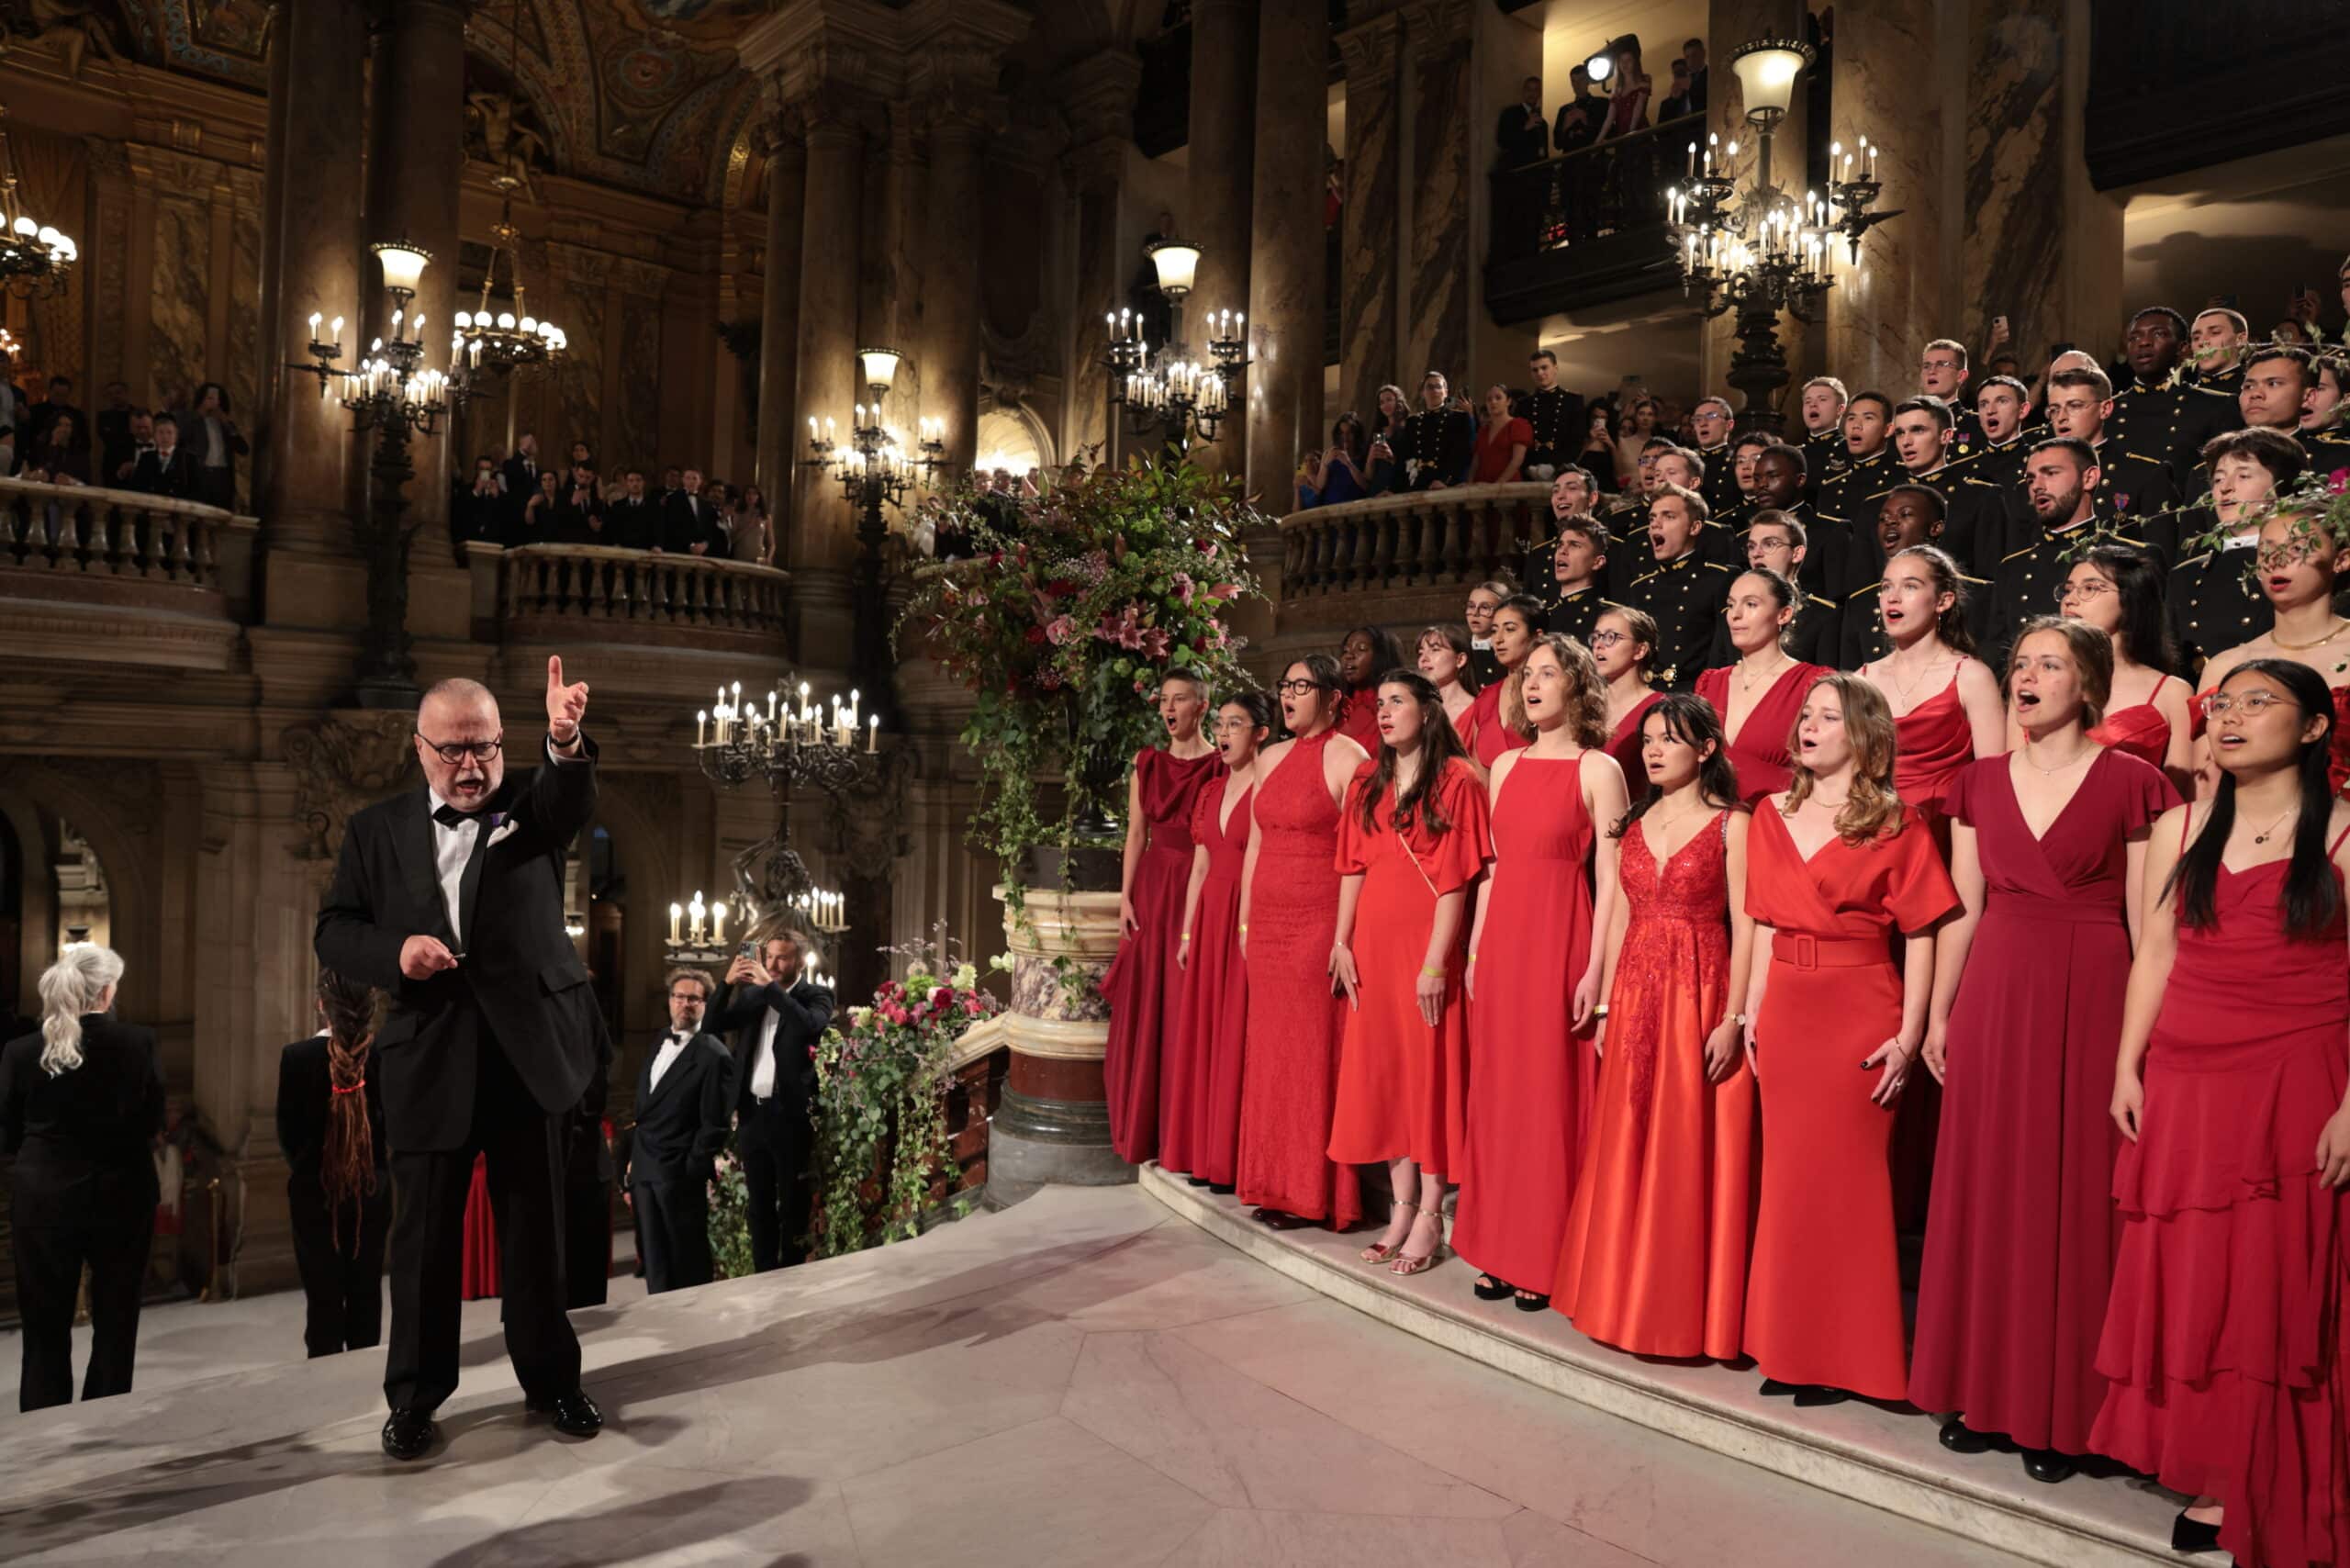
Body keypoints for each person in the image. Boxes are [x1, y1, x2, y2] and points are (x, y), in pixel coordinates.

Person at [2093, 657, 2350, 1566]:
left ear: (2316, 727)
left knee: (2277, 1280)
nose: (2230, 716)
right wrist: (2128, 1062)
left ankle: (2279, 1474)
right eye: (2223, 702)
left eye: (2259, 701)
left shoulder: (2346, 832)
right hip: (2188, 1075)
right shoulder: (2181, 822)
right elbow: (2154, 950)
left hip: (2297, 1077)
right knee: (2199, 1274)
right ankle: (2213, 1465)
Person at [315, 660, 606, 1459]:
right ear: (420, 750)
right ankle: (414, 1399)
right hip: (428, 1061)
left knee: (537, 1242)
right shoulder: (374, 832)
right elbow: (333, 929)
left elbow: (569, 796)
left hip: (527, 1061)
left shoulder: (532, 810)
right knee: (422, 1249)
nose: (472, 766)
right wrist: (394, 951)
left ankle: (554, 1383)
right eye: (454, 751)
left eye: (485, 748)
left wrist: (564, 737)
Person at [1910, 618, 2176, 1484]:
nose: (2026, 677)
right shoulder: (1977, 781)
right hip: (1997, 992)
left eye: (2048, 665)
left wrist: (2145, 1043)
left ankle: (2071, 1414)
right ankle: (1988, 1395)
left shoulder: (2133, 782)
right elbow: (1964, 907)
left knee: (2075, 1196)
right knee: (1995, 1189)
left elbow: (2149, 925)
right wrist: (1942, 1015)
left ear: (2089, 684)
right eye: (2019, 664)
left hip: (2096, 989)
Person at [1740, 673, 1959, 1406]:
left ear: (1862, 735)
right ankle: (1791, 1347)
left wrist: (1910, 1033)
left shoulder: (1896, 822)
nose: (1809, 726)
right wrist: (1750, 1015)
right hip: (1787, 1013)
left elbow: (1925, 930)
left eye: (1828, 717)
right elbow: (1764, 925)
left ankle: (1852, 1362)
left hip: (1860, 1010)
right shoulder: (1770, 813)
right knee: (1791, 1188)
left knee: (1852, 1191)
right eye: (1806, 715)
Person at [1556, 693, 1757, 1356]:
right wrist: (1610, 1006)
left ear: (1706, 749)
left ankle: (1675, 1309)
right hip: (1639, 990)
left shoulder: (1735, 825)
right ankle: (1616, 1292)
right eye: (1647, 738)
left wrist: (1735, 1016)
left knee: (1686, 1144)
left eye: (1670, 739)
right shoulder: (1631, 828)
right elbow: (1615, 921)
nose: (1654, 749)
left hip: (1701, 991)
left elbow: (1749, 923)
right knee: (1628, 1137)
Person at [1456, 636, 1626, 1307]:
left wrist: (1597, 972)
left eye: (1547, 674)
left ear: (1578, 687)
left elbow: (1613, 882)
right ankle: (1499, 1249)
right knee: (1501, 1098)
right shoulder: (1502, 767)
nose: (1532, 684)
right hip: (1504, 944)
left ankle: (1546, 1253)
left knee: (1550, 1098)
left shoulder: (1598, 769)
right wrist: (1474, 951)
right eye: (1528, 674)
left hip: (1564, 938)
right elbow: (1492, 871)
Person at [1329, 669, 1491, 1277]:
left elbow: (1456, 882)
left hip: (1423, 949)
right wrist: (1342, 939)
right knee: (1388, 1076)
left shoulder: (1458, 779)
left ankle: (1430, 1213)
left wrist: (1435, 963)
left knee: (1427, 1078)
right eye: (1382, 704)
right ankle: (1398, 1208)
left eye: (1399, 702)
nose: (1387, 713)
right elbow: (1352, 865)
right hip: (1371, 944)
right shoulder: (1367, 780)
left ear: (1428, 710)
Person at [1236, 655, 1370, 1229]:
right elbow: (1254, 845)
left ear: (1333, 696)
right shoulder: (1268, 757)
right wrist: (1244, 921)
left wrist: (1342, 937)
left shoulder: (1352, 758)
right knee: (1269, 1054)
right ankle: (1270, 1180)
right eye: (1284, 685)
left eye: (1301, 687)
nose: (1288, 696)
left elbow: (1358, 858)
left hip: (1318, 919)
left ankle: (1311, 1192)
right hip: (1266, 921)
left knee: (1308, 1054)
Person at [0, 945, 162, 1412]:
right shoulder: (139, 1044)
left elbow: (8, 1133)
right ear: (108, 991)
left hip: (43, 1202)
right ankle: (104, 1425)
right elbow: (150, 1122)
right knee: (116, 1327)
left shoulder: (20, 1051)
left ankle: (42, 1436)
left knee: (44, 1329)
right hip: (121, 1196)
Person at [1102, 673, 1222, 1164]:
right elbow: (1135, 833)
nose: (1169, 709)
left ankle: (1180, 1131)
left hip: (1195, 883)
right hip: (1152, 888)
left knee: (1181, 1005)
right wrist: (1125, 897)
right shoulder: (1145, 763)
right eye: (1164, 701)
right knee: (1147, 1001)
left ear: (1202, 705)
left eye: (1180, 700)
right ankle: (1144, 1130)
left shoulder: (1221, 764)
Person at [1167, 692, 1270, 1189]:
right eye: (1222, 724)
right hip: (1210, 915)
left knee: (1238, 1031)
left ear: (1260, 734)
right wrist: (1187, 930)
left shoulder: (1267, 787)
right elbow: (1200, 865)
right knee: (1207, 1030)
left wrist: (1249, 923)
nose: (1225, 734)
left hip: (1247, 916)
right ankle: (1202, 1152)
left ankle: (1233, 1160)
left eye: (1237, 724)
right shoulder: (1210, 791)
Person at [2196, 498, 2350, 799]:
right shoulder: (2227, 665)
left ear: (2341, 560)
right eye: (2266, 551)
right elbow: (2205, 786)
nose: (2276, 560)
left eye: (2297, 548)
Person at [276, 969, 392, 1359]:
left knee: (322, 1295)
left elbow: (288, 1134)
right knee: (366, 1291)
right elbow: (392, 1127)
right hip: (371, 1190)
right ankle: (364, 1374)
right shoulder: (383, 1055)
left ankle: (325, 1384)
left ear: (321, 1004)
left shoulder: (297, 1058)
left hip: (314, 1191)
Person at [709, 928, 836, 1271]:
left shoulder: (817, 996)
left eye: (782, 957)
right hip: (752, 1113)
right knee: (759, 1206)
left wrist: (771, 989)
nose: (774, 964)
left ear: (799, 960)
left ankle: (790, 1279)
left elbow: (810, 1024)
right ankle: (763, 1276)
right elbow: (711, 1024)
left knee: (792, 1206)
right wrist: (727, 984)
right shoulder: (752, 998)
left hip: (790, 1116)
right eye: (769, 957)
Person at [1858, 545, 2006, 828]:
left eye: (1910, 586)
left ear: (1943, 600)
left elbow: (1994, 781)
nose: (1893, 597)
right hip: (1877, 827)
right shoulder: (1863, 679)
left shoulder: (1971, 676)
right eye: (1886, 586)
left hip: (1950, 829)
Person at [627, 968, 737, 1294]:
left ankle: (696, 1331)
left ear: (705, 1004)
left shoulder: (714, 1054)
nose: (684, 1004)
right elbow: (644, 1108)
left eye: (693, 998)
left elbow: (714, 1123)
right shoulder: (659, 1039)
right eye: (679, 997)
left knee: (687, 1262)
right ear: (670, 1001)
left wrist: (690, 1169)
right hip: (646, 1169)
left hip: (679, 1174)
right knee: (655, 1262)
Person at [2170, 426, 2305, 678]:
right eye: (2219, 478)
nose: (2226, 488)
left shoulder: (2301, 565)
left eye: (2243, 476)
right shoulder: (2185, 574)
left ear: (2282, 489)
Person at [2056, 543, 2193, 788]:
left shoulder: (2171, 693)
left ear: (2130, 598)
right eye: (2068, 590)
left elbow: (2181, 800)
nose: (2071, 600)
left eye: (2089, 588)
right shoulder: (2034, 680)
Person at [1695, 567, 1830, 803]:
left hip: (1778, 822)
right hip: (1711, 823)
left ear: (1784, 614)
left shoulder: (1813, 683)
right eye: (1731, 604)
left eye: (1751, 604)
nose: (1735, 615)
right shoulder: (1709, 683)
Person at [1625, 483, 1734, 691]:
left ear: (1694, 527)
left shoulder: (1720, 579)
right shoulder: (1640, 588)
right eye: (1652, 518)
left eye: (1668, 516)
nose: (1656, 525)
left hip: (1695, 695)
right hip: (1645, 693)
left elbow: (1724, 652)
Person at [1458, 592, 1543, 765]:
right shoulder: (1486, 698)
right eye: (1494, 630)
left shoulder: (1549, 692)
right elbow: (1478, 766)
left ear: (1537, 636)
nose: (1498, 639)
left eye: (1510, 629)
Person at [1745, 511, 1840, 666]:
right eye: (1751, 546)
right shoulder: (1734, 612)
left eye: (1769, 544)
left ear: (1797, 554)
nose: (1756, 554)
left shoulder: (1823, 616)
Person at [1595, 604, 1664, 781]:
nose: (1599, 645)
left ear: (1640, 650)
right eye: (1596, 637)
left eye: (1611, 637)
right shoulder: (1585, 705)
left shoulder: (1660, 709)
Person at [1398, 371, 1476, 490]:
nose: (1434, 391)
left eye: (1438, 387)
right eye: (1429, 387)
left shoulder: (1459, 419)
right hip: (1418, 485)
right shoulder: (1412, 422)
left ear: (1446, 393)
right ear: (1422, 393)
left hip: (1447, 485)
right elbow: (1405, 457)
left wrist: (1445, 480)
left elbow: (1463, 455)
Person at [1333, 625, 1403, 753]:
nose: (1349, 656)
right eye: (1345, 651)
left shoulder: (1394, 707)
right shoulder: (1336, 705)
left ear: (1381, 656)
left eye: (1361, 649)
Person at [1542, 515, 1610, 644]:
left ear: (1597, 562)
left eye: (1574, 545)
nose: (1563, 551)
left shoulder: (1608, 617)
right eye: (1560, 545)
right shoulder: (1543, 617)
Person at [182, 381, 247, 510]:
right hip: (201, 475)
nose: (214, 402)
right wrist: (200, 413)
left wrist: (227, 424)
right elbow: (182, 438)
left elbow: (243, 449)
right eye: (210, 398)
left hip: (222, 478)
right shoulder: (191, 419)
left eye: (217, 399)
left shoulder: (226, 424)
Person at [1522, 350, 1586, 476]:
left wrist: (1555, 466)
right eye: (1535, 370)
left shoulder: (1573, 401)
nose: (1540, 373)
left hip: (1562, 471)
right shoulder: (1524, 404)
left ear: (1555, 368)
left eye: (1544, 367)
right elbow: (1520, 442)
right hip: (1530, 471)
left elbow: (1577, 441)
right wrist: (1527, 467)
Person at [1416, 622, 1482, 731]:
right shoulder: (1418, 709)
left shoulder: (1478, 712)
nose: (1423, 659)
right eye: (1420, 653)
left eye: (1435, 650)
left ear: (1460, 660)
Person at [1472, 383, 1533, 484]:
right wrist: (1470, 483)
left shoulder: (1518, 425)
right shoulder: (1484, 430)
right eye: (1489, 399)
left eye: (1498, 398)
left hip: (1507, 488)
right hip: (1482, 487)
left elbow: (1517, 460)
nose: (1493, 402)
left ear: (1508, 401)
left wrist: (1498, 484)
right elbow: (1476, 461)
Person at [129, 412, 197, 500]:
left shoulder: (189, 459)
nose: (165, 437)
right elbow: (136, 487)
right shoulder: (146, 457)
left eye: (169, 433)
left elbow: (196, 491)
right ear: (154, 435)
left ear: (176, 435)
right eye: (161, 432)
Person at [660, 468, 722, 554]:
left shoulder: (706, 503)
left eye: (694, 478)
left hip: (702, 553)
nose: (691, 481)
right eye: (688, 478)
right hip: (677, 549)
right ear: (683, 480)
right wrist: (690, 545)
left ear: (700, 481)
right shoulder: (672, 499)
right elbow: (670, 525)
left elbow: (711, 528)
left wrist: (705, 544)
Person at [1463, 578, 1508, 687]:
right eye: (1471, 606)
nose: (1475, 613)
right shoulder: (1460, 649)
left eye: (1484, 607)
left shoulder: (1508, 652)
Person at [1494, 74, 1548, 165]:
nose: (1532, 93)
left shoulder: (1543, 123)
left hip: (1537, 173)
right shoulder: (1510, 113)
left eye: (1535, 90)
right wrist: (1525, 128)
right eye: (1528, 89)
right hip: (1515, 171)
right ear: (1523, 91)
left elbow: (1543, 151)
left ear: (1540, 94)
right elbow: (1502, 141)